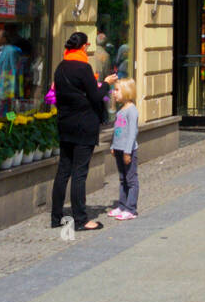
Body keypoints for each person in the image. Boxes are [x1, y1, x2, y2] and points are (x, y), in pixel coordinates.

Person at [51, 31, 116, 233]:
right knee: (79, 173)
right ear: (84, 47)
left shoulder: (60, 67)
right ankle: (80, 220)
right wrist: (106, 83)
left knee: (63, 171)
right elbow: (96, 96)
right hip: (83, 126)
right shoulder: (83, 67)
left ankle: (56, 217)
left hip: (65, 124)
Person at [108, 78, 139, 219]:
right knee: (122, 179)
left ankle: (131, 208)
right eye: (114, 89)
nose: (114, 93)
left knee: (131, 180)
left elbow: (132, 133)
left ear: (127, 91)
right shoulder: (121, 110)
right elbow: (117, 130)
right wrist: (114, 146)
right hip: (119, 149)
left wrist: (127, 152)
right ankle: (122, 205)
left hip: (128, 150)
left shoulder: (132, 110)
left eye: (117, 90)